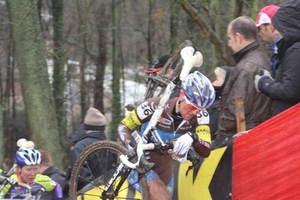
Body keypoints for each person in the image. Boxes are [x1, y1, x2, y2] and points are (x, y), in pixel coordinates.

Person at [118, 71, 215, 199]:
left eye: (199, 109)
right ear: (182, 94)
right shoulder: (154, 106)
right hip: (139, 164)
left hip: (165, 173)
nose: (194, 112)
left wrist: (194, 138)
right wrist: (130, 149)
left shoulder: (201, 116)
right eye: (192, 106)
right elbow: (124, 126)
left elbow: (206, 150)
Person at [215, 16, 272, 139]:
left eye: (230, 38)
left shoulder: (246, 68)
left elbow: (233, 111)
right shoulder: (263, 59)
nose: (229, 44)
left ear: (239, 37)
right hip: (260, 134)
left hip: (245, 140)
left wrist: (220, 141)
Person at [254, 0, 300, 116]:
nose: (276, 31)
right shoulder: (289, 49)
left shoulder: (295, 51)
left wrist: (265, 84)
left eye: (278, 26)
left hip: (290, 121)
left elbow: (291, 92)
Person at [63, 107, 108, 196]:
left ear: (85, 128)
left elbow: (80, 178)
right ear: (103, 129)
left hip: (87, 196)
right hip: (111, 195)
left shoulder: (80, 147)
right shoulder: (112, 147)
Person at [207, 66, 233, 139]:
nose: (212, 83)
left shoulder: (220, 107)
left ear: (226, 82)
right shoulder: (213, 100)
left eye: (216, 79)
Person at [255, 4, 280, 75]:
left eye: (259, 29)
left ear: (270, 27)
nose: (258, 34)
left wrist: (265, 82)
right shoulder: (277, 50)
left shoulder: (288, 50)